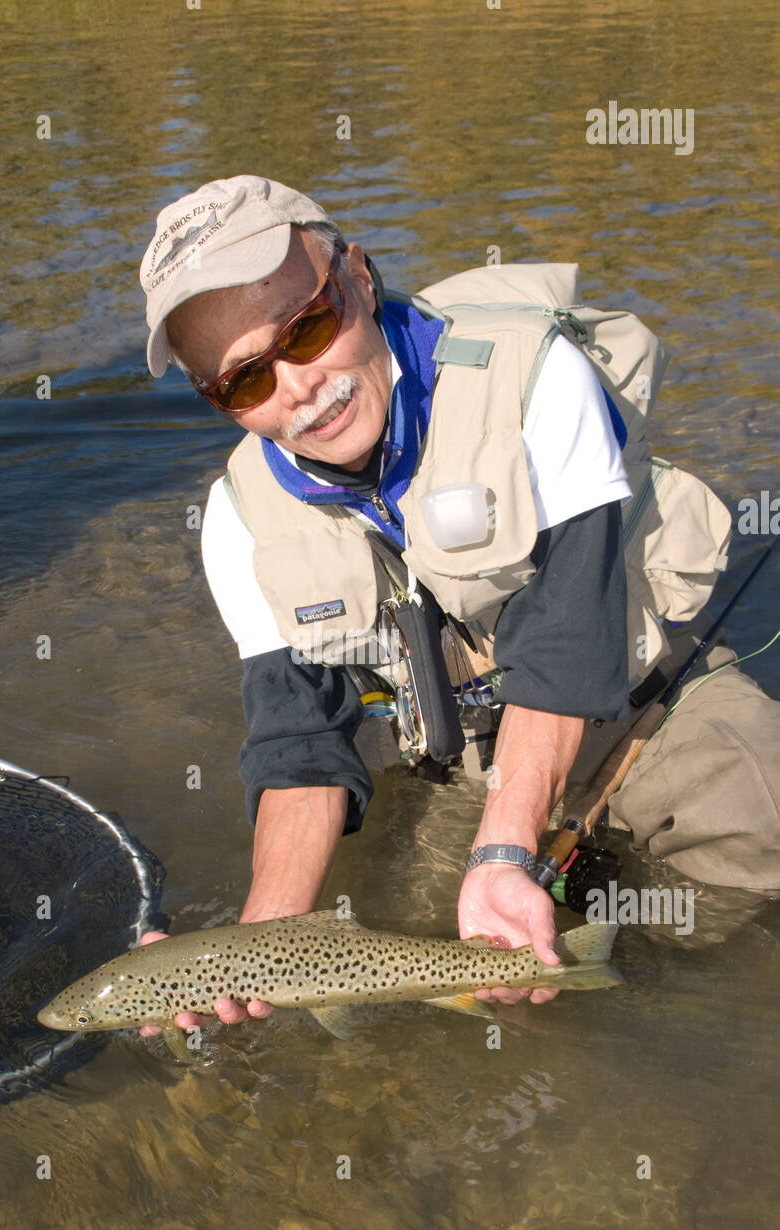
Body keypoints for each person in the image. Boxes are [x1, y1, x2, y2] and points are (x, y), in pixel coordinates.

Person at [136, 174, 780, 1034]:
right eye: (243, 380)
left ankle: (649, 975)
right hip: (474, 746)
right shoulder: (238, 519)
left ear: (359, 278)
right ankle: (572, 929)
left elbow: (568, 640)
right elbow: (300, 744)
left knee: (757, 827)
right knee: (437, 940)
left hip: (643, 695)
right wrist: (259, 947)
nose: (296, 387)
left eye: (308, 329)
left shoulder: (533, 379)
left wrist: (505, 850)